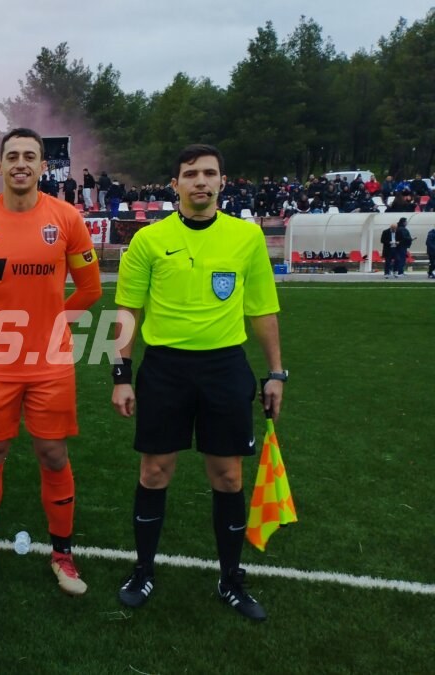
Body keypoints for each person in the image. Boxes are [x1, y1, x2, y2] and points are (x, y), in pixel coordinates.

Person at [111, 143, 285, 622]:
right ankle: (143, 570)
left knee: (228, 475)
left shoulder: (246, 237)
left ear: (223, 181)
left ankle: (230, 579)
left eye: (209, 173)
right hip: (164, 369)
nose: (201, 181)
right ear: (175, 185)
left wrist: (275, 373)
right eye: (191, 174)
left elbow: (263, 309)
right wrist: (121, 375)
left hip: (224, 368)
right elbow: (127, 310)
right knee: (154, 471)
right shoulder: (148, 240)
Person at [0, 128, 102, 593]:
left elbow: (91, 288)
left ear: (42, 166)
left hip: (49, 363)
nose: (20, 163)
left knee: (53, 454)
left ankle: (63, 556)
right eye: (12, 156)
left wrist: (54, 323)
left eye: (30, 156)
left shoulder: (67, 218)